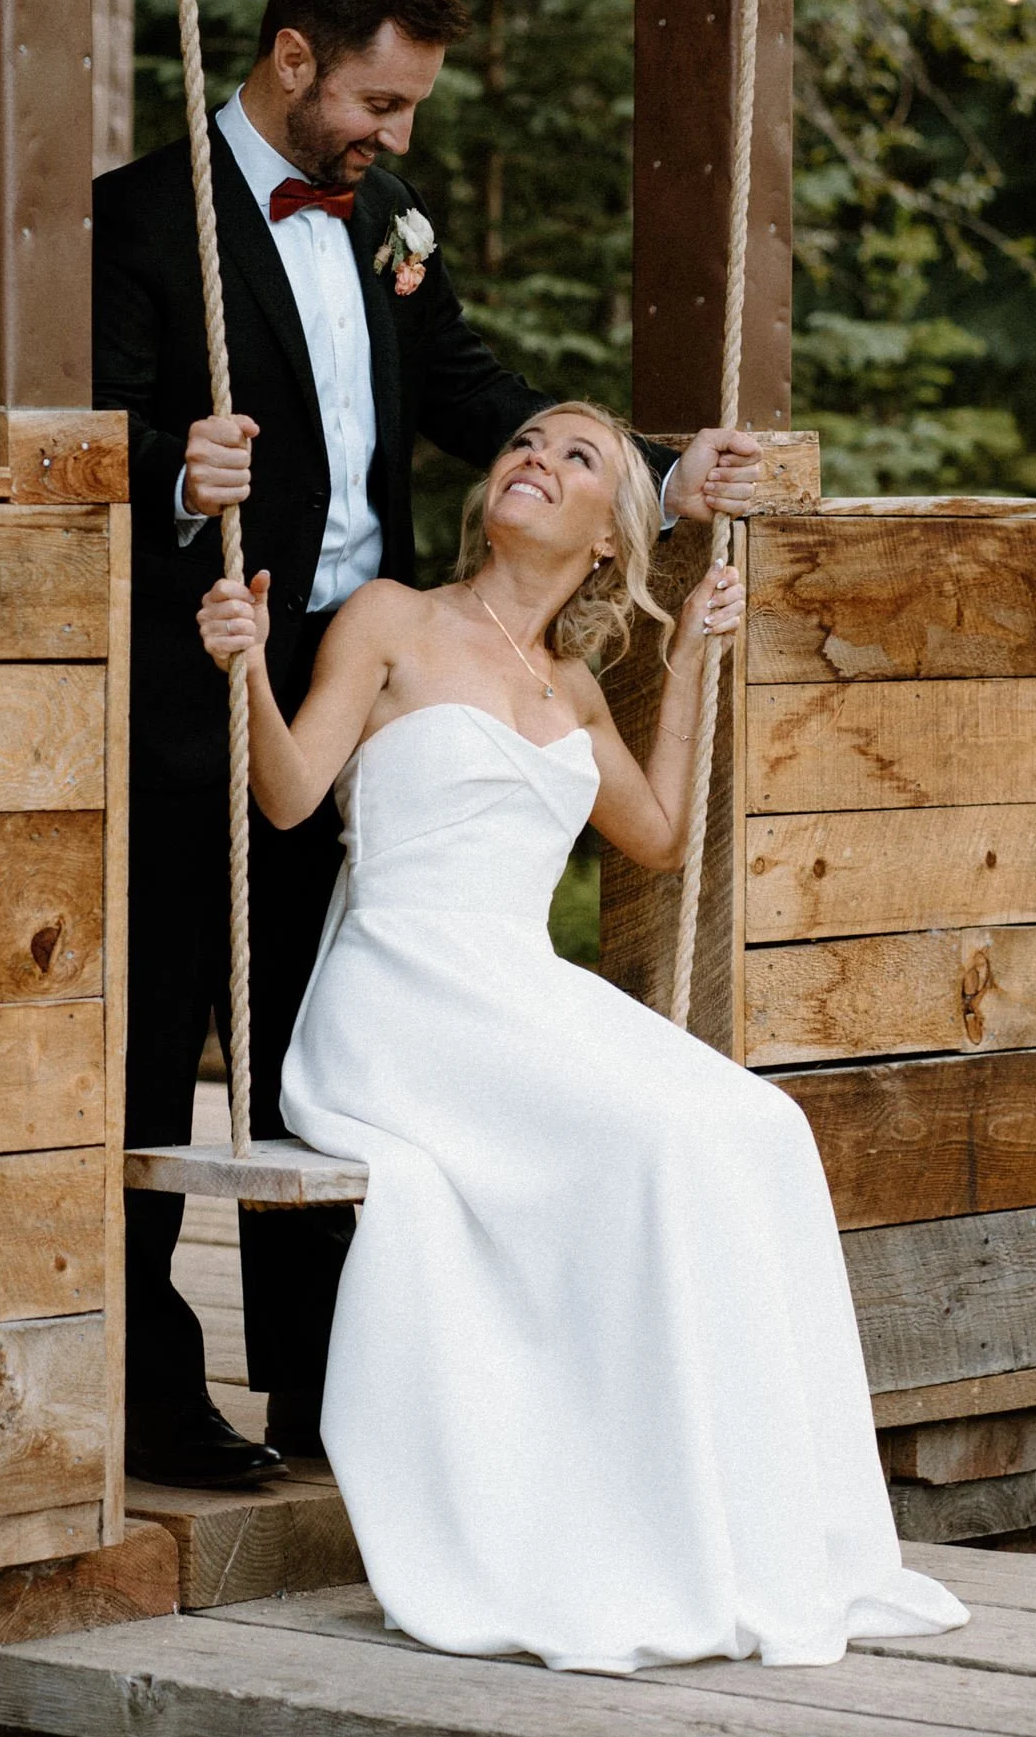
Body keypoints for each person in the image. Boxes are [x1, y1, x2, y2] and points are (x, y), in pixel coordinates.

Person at [94, 0, 762, 1488]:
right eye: (378, 107)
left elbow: (475, 393)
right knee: (153, 1055)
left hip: (380, 685)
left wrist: (655, 473)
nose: (394, 142)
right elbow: (97, 438)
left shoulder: (383, 219)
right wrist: (168, 478)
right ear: (291, 59)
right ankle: (148, 1394)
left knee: (316, 1054)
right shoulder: (141, 218)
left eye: (407, 116)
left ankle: (323, 1394)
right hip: (205, 671)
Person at [196, 401, 968, 1672]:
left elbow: (658, 831)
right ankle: (631, 1515)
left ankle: (758, 1529)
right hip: (401, 994)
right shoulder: (389, 616)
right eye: (520, 442)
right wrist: (244, 668)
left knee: (760, 1126)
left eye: (573, 457)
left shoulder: (569, 689)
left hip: (517, 988)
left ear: (610, 540)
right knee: (660, 1142)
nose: (530, 460)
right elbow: (285, 797)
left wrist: (696, 662)